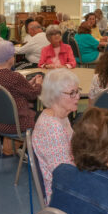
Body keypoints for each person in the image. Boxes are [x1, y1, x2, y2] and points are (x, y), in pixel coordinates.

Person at [0, 40, 43, 152]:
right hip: (15, 124)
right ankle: (30, 152)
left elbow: (10, 90)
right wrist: (39, 84)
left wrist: (28, 83)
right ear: (9, 59)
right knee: (44, 115)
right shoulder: (14, 76)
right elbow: (33, 95)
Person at [32, 68, 80, 196]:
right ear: (55, 95)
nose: (78, 97)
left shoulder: (61, 116)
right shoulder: (53, 128)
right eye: (72, 93)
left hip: (70, 184)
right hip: (63, 196)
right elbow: (65, 177)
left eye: (77, 91)